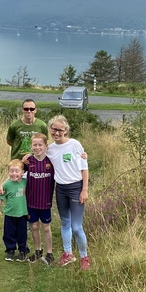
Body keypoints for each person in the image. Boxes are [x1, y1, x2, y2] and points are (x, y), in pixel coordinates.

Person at [47, 115, 90, 270]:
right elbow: (38, 156)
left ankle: (84, 257)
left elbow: (84, 168)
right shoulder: (50, 149)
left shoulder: (74, 144)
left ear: (66, 130)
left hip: (76, 188)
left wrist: (84, 190)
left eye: (60, 130)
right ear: (50, 129)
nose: (57, 133)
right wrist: (26, 158)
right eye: (54, 129)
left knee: (76, 227)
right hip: (61, 189)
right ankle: (68, 254)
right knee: (65, 223)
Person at [24, 133, 55, 266]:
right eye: (34, 145)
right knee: (34, 226)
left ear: (46, 146)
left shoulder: (51, 161)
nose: (37, 147)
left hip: (45, 202)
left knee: (46, 228)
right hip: (31, 202)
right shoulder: (27, 162)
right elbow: (15, 172)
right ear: (31, 146)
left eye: (40, 145)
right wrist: (3, 185)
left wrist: (82, 156)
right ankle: (38, 251)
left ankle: (49, 253)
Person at [0, 159, 30, 262]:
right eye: (11, 171)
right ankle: (10, 250)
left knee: (22, 233)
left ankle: (22, 250)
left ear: (22, 172)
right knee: (9, 233)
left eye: (16, 171)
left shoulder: (26, 182)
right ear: (8, 172)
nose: (14, 173)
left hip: (22, 213)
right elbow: (1, 197)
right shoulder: (7, 184)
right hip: (10, 214)